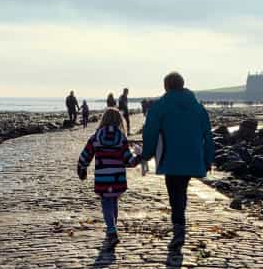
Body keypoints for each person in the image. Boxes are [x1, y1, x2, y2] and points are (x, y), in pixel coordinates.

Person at [140, 71, 214, 251]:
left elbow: (150, 132)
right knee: (181, 191)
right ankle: (179, 227)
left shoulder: (160, 106)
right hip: (192, 156)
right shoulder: (198, 107)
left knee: (175, 193)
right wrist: (208, 158)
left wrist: (146, 154)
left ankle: (179, 230)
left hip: (170, 157)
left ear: (166, 86)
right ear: (183, 84)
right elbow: (208, 135)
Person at [77, 107, 140, 250]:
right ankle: (112, 229)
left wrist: (82, 167)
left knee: (106, 203)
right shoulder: (121, 138)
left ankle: (111, 231)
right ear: (119, 121)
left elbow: (86, 154)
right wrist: (139, 157)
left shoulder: (96, 137)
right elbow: (129, 160)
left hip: (103, 178)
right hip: (117, 178)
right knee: (114, 201)